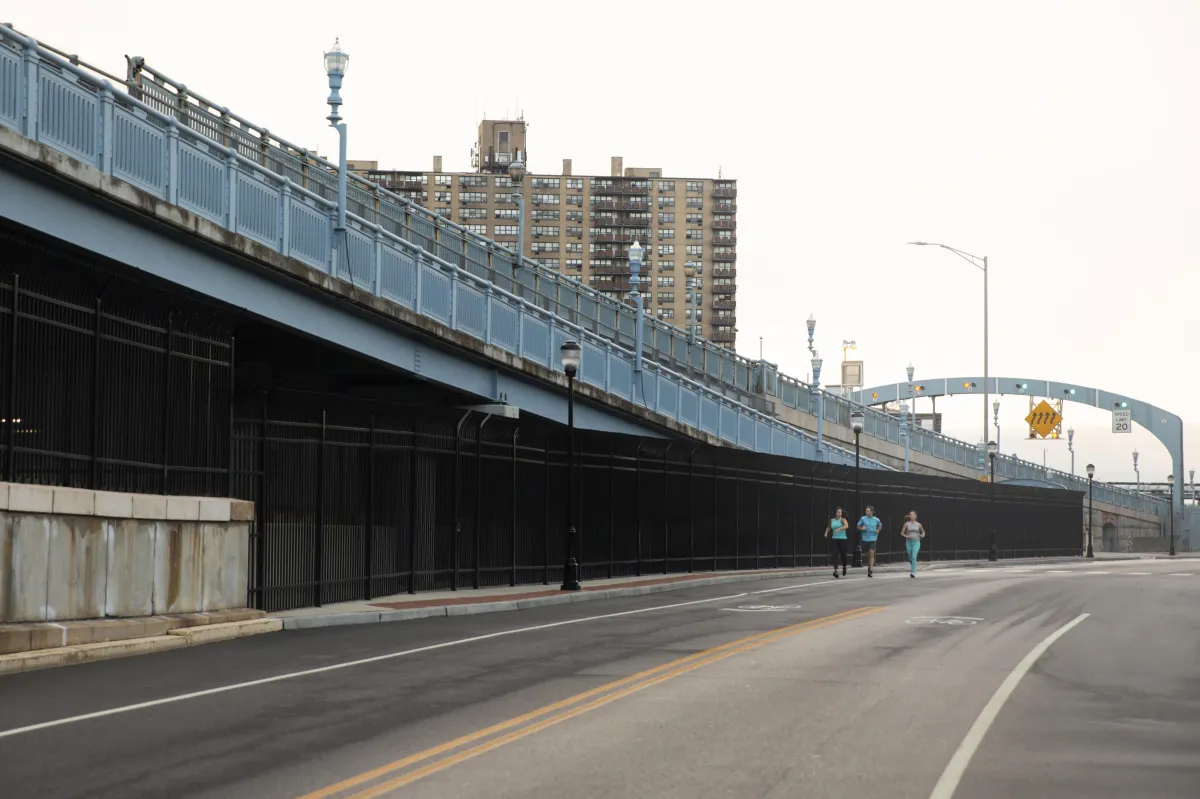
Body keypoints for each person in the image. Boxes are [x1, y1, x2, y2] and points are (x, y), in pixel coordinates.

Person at [857, 505, 882, 577]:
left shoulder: (876, 519)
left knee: (871, 553)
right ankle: (870, 564)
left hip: (873, 539)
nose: (866, 512)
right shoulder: (863, 518)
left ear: (872, 512)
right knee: (867, 554)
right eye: (866, 511)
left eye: (867, 511)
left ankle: (870, 570)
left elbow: (880, 526)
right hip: (865, 539)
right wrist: (861, 528)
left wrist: (878, 530)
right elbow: (858, 526)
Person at [824, 507, 849, 578]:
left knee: (843, 555)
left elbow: (846, 526)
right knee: (834, 554)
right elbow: (829, 527)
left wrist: (839, 528)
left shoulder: (843, 520)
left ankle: (844, 567)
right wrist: (826, 533)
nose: (839, 514)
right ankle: (835, 570)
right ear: (835, 513)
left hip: (843, 539)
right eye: (838, 512)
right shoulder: (832, 520)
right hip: (835, 539)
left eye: (840, 512)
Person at [901, 510, 926, 577]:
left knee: (913, 557)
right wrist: (906, 536)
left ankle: (913, 572)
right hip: (909, 542)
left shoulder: (918, 524)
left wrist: (922, 535)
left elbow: (923, 532)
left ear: (916, 516)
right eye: (911, 514)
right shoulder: (906, 524)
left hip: (916, 541)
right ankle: (914, 566)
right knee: (910, 558)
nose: (912, 515)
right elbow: (902, 533)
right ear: (909, 516)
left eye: (913, 514)